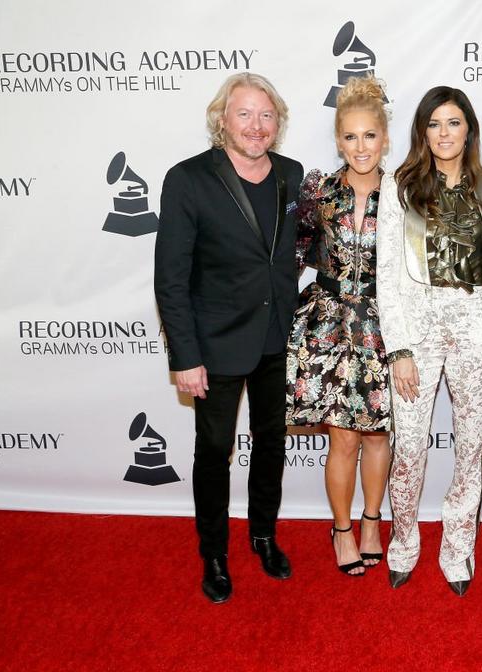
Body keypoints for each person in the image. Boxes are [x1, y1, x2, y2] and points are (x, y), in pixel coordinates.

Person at [154, 72, 303, 603]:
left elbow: (289, 253)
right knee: (213, 452)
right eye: (244, 114)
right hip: (214, 344)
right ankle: (213, 553)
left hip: (274, 338)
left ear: (278, 123)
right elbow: (171, 277)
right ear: (222, 120)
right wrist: (185, 355)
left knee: (270, 448)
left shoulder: (291, 174)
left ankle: (263, 535)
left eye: (266, 115)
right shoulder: (188, 179)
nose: (256, 126)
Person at [376, 86, 482, 596]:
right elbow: (387, 274)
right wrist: (400, 348)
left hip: (475, 333)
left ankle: (458, 549)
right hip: (417, 335)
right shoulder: (400, 185)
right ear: (422, 131)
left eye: (454, 123)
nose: (444, 133)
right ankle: (404, 544)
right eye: (434, 124)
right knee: (408, 447)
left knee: (471, 449)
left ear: (470, 129)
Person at [286, 76, 391, 576]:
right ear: (338, 140)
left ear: (385, 139)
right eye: (350, 136)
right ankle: (343, 528)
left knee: (377, 437)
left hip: (382, 327)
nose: (360, 146)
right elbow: (291, 255)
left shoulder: (404, 195)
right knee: (342, 439)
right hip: (326, 326)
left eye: (369, 135)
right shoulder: (319, 192)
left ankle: (373, 521)